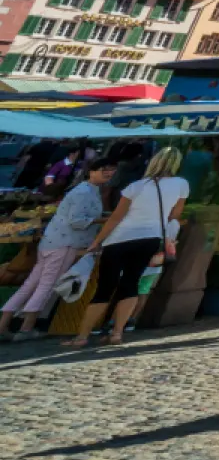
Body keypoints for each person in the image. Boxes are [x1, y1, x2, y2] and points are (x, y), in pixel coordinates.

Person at [71, 147, 189, 349]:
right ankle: (117, 333)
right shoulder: (181, 185)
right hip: (149, 238)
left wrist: (97, 241)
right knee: (131, 283)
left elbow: (116, 217)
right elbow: (174, 215)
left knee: (105, 287)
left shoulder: (136, 186)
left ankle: (82, 336)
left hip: (120, 238)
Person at [2, 161, 110, 339]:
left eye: (111, 170)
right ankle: (26, 328)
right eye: (105, 169)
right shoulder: (84, 192)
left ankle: (4, 325)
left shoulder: (86, 190)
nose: (109, 173)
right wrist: (105, 220)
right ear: (91, 172)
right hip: (64, 243)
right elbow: (77, 221)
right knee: (46, 285)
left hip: (52, 242)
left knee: (30, 284)